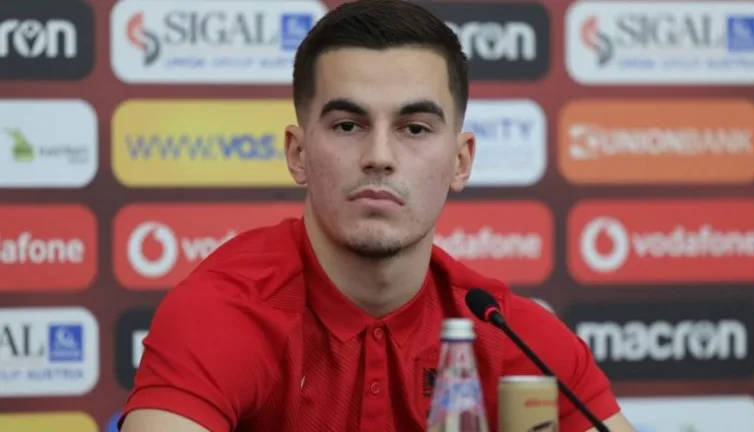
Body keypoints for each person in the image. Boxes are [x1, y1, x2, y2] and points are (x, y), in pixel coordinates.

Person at [119, 0, 636, 431]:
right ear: (298, 154)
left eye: (415, 128)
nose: (380, 156)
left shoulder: (511, 336)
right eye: (348, 125)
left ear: (461, 162)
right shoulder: (225, 313)